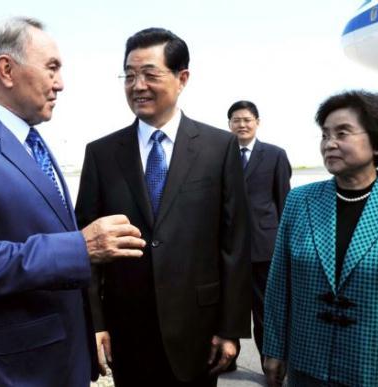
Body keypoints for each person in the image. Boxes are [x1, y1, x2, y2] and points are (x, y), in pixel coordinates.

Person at [0, 17, 145, 387]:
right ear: (7, 69)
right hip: (7, 371)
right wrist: (80, 246)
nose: (61, 83)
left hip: (57, 358)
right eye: (52, 68)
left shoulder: (31, 141)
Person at [75, 27, 250, 387]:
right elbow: (88, 249)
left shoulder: (219, 148)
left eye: (150, 74)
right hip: (127, 328)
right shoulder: (101, 154)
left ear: (181, 77)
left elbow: (235, 243)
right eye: (129, 75)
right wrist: (95, 324)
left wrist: (230, 329)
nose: (137, 85)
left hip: (198, 330)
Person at [263, 90, 378, 386]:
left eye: (342, 133)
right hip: (306, 367)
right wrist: (274, 348)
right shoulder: (300, 201)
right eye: (324, 135)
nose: (329, 144)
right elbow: (279, 284)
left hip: (374, 371)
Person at [226, 100, 291, 371]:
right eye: (236, 120)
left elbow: (283, 200)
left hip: (265, 247)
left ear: (257, 122)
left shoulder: (274, 154)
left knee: (265, 310)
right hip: (229, 248)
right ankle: (228, 359)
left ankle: (269, 362)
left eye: (247, 119)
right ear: (229, 124)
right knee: (230, 308)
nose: (242, 124)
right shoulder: (221, 154)